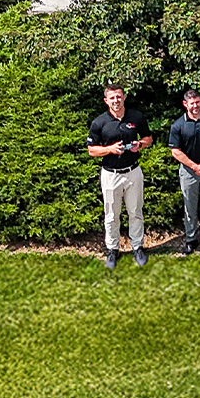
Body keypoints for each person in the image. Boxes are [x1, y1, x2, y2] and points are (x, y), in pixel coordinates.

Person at [86, 84, 150, 269]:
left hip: (133, 172)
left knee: (136, 212)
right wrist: (110, 149)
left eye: (119, 97)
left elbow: (148, 138)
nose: (116, 101)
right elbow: (91, 150)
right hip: (110, 174)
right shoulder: (99, 122)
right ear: (106, 101)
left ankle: (137, 247)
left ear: (124, 97)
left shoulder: (136, 117)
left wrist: (141, 144)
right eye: (112, 98)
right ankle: (113, 249)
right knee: (111, 215)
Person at [166, 88, 200, 256]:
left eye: (198, 102)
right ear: (185, 104)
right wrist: (195, 166)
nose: (195, 106)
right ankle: (191, 239)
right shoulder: (178, 125)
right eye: (192, 103)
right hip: (188, 171)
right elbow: (175, 151)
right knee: (189, 205)